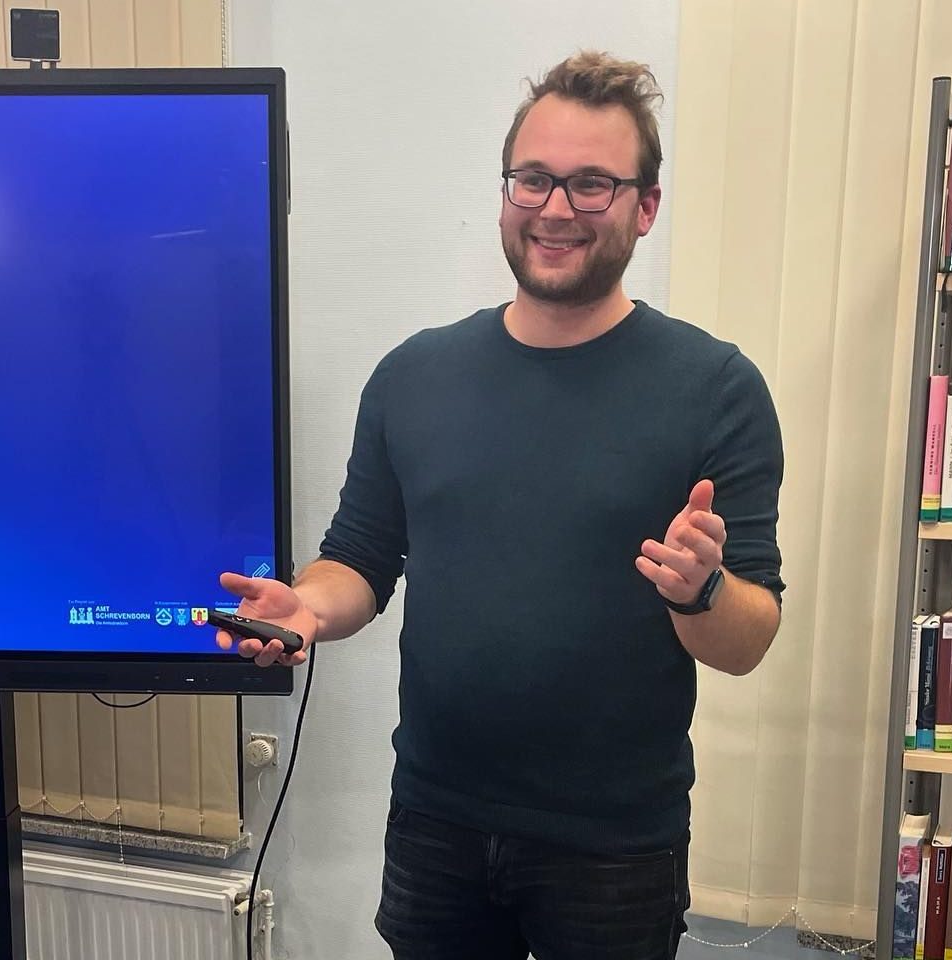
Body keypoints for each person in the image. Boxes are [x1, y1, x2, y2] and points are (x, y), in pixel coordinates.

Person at [216, 50, 785, 960]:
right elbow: (361, 556)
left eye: (592, 184)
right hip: (435, 821)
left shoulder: (715, 389)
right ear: (506, 192)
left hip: (613, 847)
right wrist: (308, 606)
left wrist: (700, 591)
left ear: (646, 206)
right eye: (534, 179)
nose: (556, 208)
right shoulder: (413, 376)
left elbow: (749, 639)